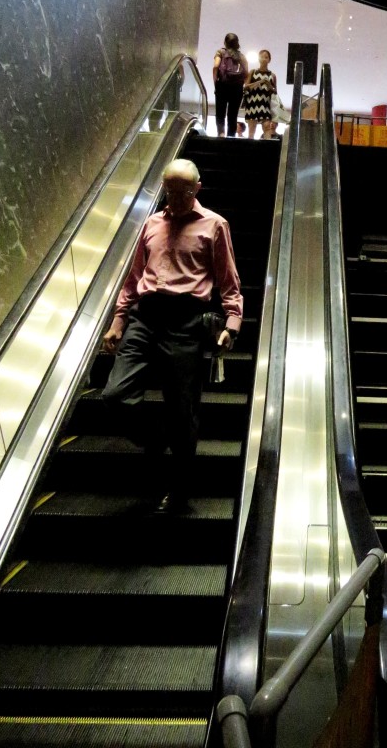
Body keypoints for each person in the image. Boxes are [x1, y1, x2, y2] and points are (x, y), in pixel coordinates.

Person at [101, 158, 242, 513]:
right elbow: (134, 278)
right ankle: (154, 437)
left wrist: (231, 325)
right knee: (115, 394)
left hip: (187, 321)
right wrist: (119, 321)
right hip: (145, 317)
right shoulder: (151, 224)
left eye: (183, 191)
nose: (176, 197)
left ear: (197, 188)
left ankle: (179, 490)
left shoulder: (214, 225)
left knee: (182, 410)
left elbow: (228, 281)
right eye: (170, 190)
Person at [213, 33, 248, 137]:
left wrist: (216, 81)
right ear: (237, 44)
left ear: (225, 42)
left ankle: (221, 134)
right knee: (232, 115)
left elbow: (215, 67)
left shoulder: (221, 52)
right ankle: (231, 136)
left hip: (222, 85)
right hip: (237, 88)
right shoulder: (242, 56)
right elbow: (246, 73)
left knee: (220, 112)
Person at [243, 49, 277, 140]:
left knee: (266, 126)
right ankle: (250, 149)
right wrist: (260, 82)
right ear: (259, 59)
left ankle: (267, 148)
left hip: (265, 103)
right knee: (252, 128)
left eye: (266, 57)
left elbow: (275, 92)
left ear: (269, 60)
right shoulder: (253, 72)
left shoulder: (272, 75)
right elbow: (246, 86)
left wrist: (269, 85)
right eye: (262, 57)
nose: (264, 59)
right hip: (252, 102)